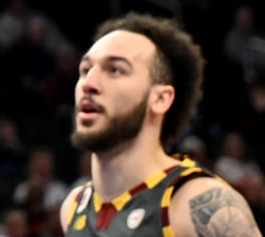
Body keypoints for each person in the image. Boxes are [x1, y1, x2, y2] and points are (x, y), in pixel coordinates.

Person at [58, 14, 260, 237]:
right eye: (86, 70)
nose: (88, 84)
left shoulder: (198, 203)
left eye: (115, 70)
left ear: (160, 98)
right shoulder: (73, 207)